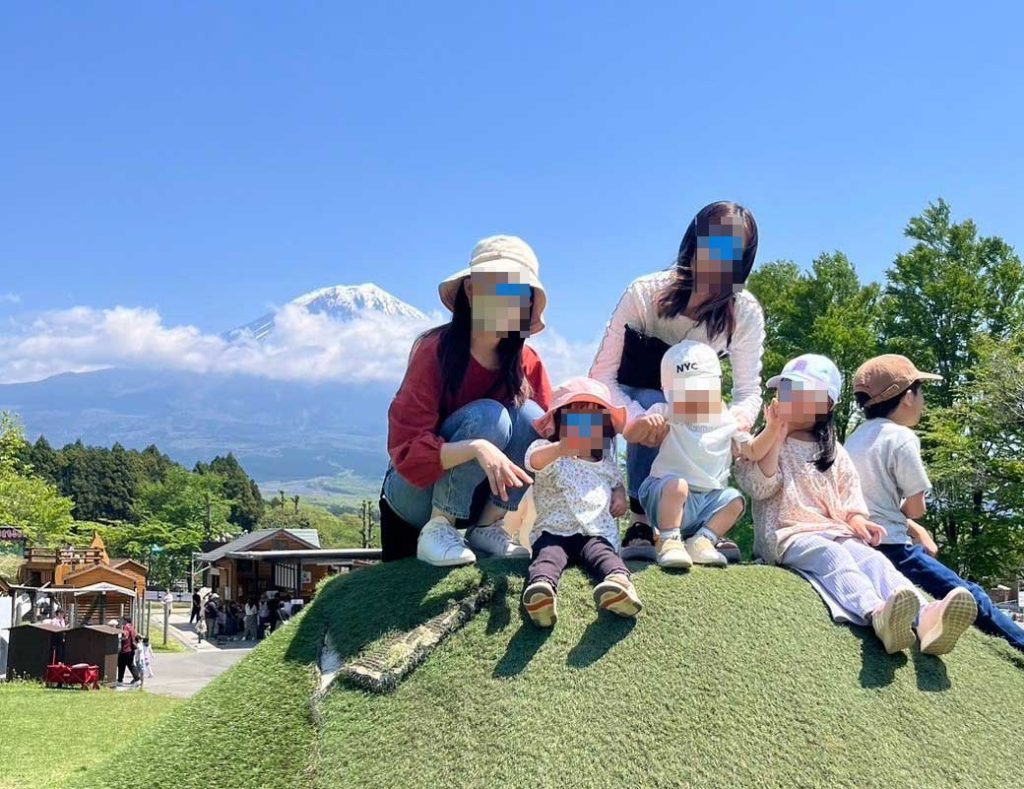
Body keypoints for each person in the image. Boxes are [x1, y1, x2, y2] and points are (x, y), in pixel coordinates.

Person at [734, 354, 976, 655]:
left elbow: (849, 498)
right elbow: (760, 487)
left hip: (834, 530)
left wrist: (859, 521)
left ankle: (926, 617)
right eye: (785, 390)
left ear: (826, 405)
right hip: (786, 535)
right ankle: (877, 612)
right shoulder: (762, 443)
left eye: (801, 392)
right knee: (832, 556)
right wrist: (774, 435)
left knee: (872, 559)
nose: (789, 398)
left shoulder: (834, 452)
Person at [590, 201, 765, 561]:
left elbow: (747, 391)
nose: (720, 255)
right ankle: (641, 518)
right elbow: (601, 376)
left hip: (693, 413)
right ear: (694, 241)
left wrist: (729, 426)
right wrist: (635, 420)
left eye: (734, 248)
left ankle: (696, 523)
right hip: (637, 399)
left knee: (700, 410)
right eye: (714, 241)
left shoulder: (744, 313)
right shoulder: (643, 294)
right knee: (653, 397)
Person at [382, 235, 553, 566]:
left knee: (532, 417)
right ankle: (439, 526)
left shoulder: (527, 362)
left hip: (477, 500)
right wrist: (477, 446)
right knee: (491, 417)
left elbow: (547, 438)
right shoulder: (435, 351)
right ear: (472, 292)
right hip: (415, 495)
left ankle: (490, 525)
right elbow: (405, 450)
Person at [846, 354, 1024, 652]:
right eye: (920, 391)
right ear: (906, 397)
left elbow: (875, 505)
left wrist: (914, 529)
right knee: (973, 596)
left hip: (858, 543)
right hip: (892, 549)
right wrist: (913, 525)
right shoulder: (901, 438)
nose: (922, 400)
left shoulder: (853, 440)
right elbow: (915, 507)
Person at [626, 340, 782, 569]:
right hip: (663, 495)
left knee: (735, 500)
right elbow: (631, 435)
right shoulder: (668, 412)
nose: (694, 398)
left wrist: (773, 427)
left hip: (707, 501)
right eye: (685, 392)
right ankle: (669, 540)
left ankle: (702, 540)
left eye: (702, 390)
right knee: (678, 486)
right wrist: (644, 423)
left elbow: (753, 450)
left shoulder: (726, 418)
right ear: (670, 393)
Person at [520, 377, 641, 627]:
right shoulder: (547, 450)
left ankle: (619, 584)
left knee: (604, 554)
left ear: (604, 429)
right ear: (559, 422)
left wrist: (619, 497)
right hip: (554, 530)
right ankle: (541, 590)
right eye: (577, 417)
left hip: (594, 533)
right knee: (547, 556)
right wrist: (559, 449)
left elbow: (617, 482)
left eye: (594, 419)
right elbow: (534, 462)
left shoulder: (605, 464)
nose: (585, 426)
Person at [117, 615, 141, 684]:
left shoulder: (126, 627)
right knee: (130, 664)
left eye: (122, 620)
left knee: (121, 664)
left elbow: (125, 636)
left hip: (125, 649)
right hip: (131, 649)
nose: (121, 621)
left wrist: (119, 639)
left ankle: (120, 680)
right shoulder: (132, 627)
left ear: (125, 620)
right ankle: (137, 679)